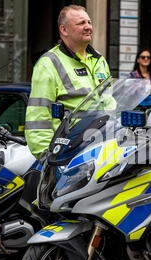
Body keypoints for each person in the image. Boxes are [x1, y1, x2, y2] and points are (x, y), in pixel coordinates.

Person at [25, 5, 110, 160]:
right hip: (68, 152)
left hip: (102, 149)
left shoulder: (99, 59)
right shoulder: (49, 63)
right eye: (81, 23)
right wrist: (47, 157)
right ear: (64, 30)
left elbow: (110, 103)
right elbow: (38, 116)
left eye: (89, 22)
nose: (88, 27)